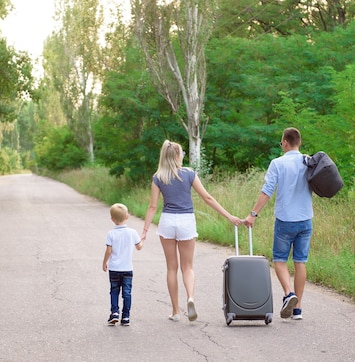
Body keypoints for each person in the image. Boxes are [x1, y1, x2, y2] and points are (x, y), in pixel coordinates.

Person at [141, 140, 243, 322]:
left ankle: (175, 311)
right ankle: (190, 298)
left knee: (172, 267)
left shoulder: (158, 177)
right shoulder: (189, 173)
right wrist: (229, 216)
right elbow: (207, 197)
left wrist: (145, 230)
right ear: (178, 156)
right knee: (187, 267)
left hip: (168, 221)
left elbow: (152, 206)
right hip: (186, 221)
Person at [244, 127, 313, 321]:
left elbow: (267, 191)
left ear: (284, 142)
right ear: (298, 142)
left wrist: (253, 214)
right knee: (300, 262)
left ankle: (289, 293)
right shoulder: (308, 161)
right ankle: (298, 309)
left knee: (280, 260)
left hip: (285, 221)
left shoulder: (278, 163)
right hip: (306, 219)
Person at [103, 203, 144, 326]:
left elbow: (109, 251)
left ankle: (114, 313)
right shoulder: (132, 232)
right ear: (127, 216)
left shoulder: (111, 234)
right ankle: (126, 317)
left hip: (114, 269)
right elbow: (139, 247)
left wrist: (104, 262)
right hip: (127, 269)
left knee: (114, 291)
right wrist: (142, 240)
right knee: (127, 293)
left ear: (112, 219)